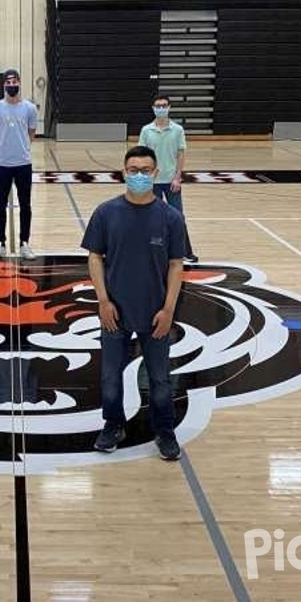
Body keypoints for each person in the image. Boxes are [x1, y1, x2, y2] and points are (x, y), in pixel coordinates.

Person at [81, 145, 186, 461]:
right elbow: (94, 257)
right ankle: (113, 425)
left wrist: (168, 309)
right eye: (133, 170)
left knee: (159, 379)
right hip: (114, 312)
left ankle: (164, 431)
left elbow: (176, 265)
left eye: (145, 170)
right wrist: (102, 301)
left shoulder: (170, 217)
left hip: (155, 314)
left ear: (156, 173)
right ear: (123, 172)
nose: (139, 175)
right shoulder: (106, 213)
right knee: (111, 378)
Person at [138, 94, 198, 262]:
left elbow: (181, 154)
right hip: (152, 182)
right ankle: (151, 251)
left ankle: (185, 252)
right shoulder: (146, 130)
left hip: (171, 181)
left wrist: (177, 178)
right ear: (153, 108)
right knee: (151, 218)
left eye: (164, 105)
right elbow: (142, 156)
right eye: (158, 105)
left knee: (178, 217)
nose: (161, 108)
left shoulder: (177, 130)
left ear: (169, 107)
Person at [0, 68, 38, 260]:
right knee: (0, 206)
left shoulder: (30, 108)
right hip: (2, 164)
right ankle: (0, 243)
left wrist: (21, 147)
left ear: (19, 83)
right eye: (8, 82)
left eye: (14, 81)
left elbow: (31, 133)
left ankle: (25, 242)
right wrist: (3, 148)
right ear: (3, 85)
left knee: (26, 205)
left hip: (23, 164)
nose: (11, 85)